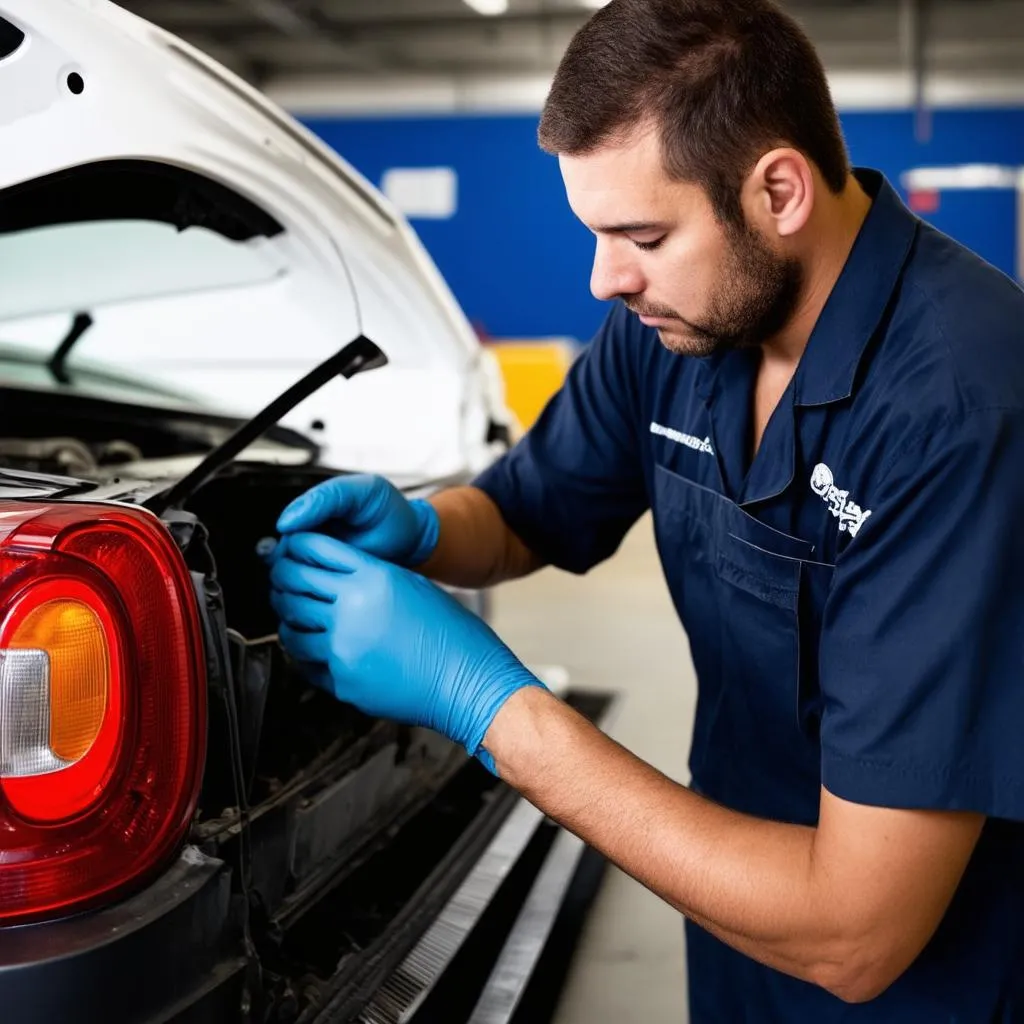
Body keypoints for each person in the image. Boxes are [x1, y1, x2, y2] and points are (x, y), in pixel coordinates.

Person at [263, 0, 1024, 1019]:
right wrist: (433, 528)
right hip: (728, 918)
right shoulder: (676, 323)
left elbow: (858, 930)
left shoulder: (963, 409)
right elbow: (531, 509)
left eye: (642, 234)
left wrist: (491, 708)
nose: (603, 278)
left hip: (925, 971)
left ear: (779, 191)